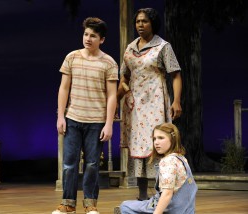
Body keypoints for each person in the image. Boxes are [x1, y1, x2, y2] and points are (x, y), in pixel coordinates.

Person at [53, 17, 118, 214]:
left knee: (91, 164)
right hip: (73, 118)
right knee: (69, 163)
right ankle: (67, 204)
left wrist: (109, 124)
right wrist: (61, 116)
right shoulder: (72, 57)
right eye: (86, 34)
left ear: (102, 40)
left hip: (96, 121)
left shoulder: (109, 62)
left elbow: (112, 95)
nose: (88, 39)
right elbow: (63, 88)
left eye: (93, 36)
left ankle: (90, 204)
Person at [117, 8, 183, 200]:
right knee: (138, 147)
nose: (140, 25)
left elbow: (176, 74)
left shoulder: (163, 46)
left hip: (155, 101)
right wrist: (116, 98)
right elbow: (125, 76)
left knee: (156, 144)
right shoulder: (130, 48)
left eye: (144, 21)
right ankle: (142, 195)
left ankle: (162, 195)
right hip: (135, 105)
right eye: (137, 21)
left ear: (153, 23)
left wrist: (177, 100)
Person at [120, 123, 197, 214]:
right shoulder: (181, 158)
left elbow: (167, 194)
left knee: (125, 206)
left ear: (172, 139)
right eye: (154, 139)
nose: (156, 142)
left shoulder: (168, 162)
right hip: (186, 210)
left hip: (171, 208)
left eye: (161, 138)